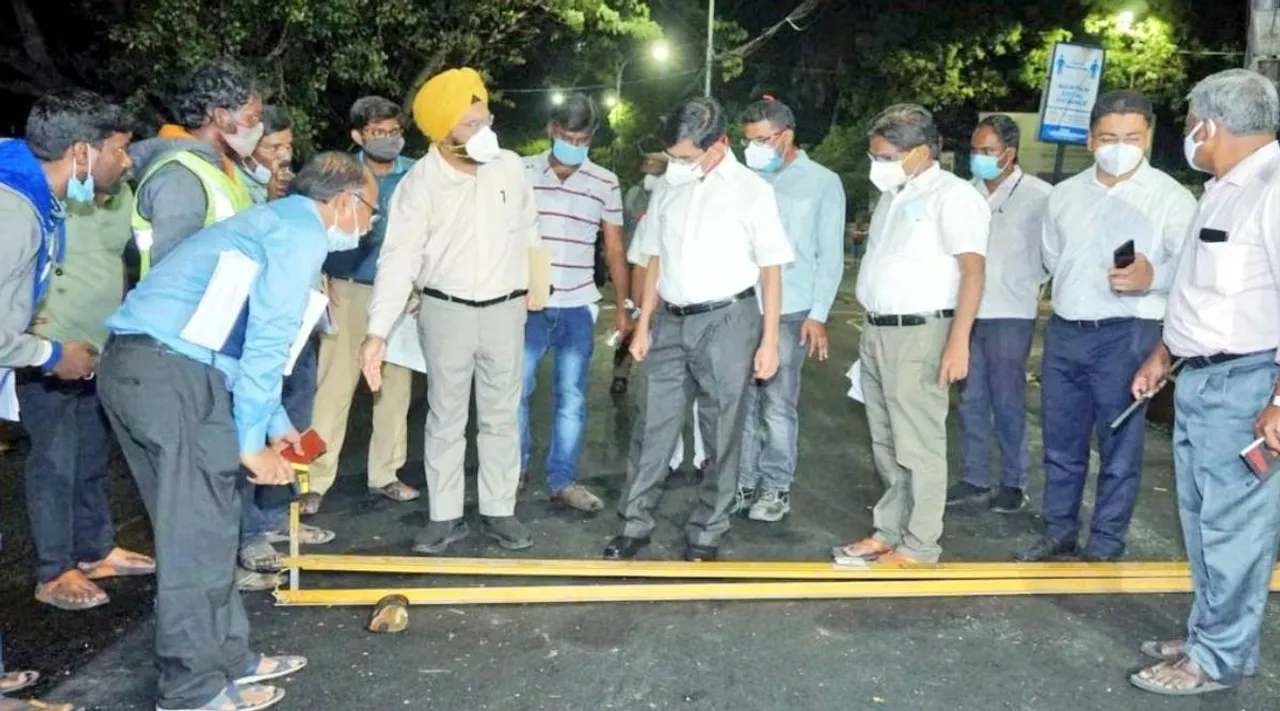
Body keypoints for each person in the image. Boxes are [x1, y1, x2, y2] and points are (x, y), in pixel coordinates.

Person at [97, 152, 373, 711]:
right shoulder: (301, 233)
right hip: (170, 374)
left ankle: (228, 660)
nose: (369, 224)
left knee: (211, 524)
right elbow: (269, 340)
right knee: (197, 535)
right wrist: (250, 444)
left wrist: (276, 426)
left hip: (150, 369)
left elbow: (236, 346)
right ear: (343, 200)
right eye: (370, 210)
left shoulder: (275, 223)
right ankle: (191, 690)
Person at [1127, 69, 1280, 697]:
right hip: (1201, 380)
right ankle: (1208, 633)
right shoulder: (1225, 189)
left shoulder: (1273, 188)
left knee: (1234, 530)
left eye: (1191, 122)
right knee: (1200, 522)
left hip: (1246, 386)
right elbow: (1202, 290)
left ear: (1209, 125)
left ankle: (1216, 659)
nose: (1189, 134)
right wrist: (1163, 352)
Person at [607, 96, 794, 562]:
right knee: (652, 424)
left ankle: (708, 530)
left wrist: (769, 340)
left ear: (718, 145)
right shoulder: (669, 186)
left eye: (685, 157)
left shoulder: (753, 191)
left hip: (728, 321)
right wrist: (643, 324)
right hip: (669, 319)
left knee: (723, 430)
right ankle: (634, 524)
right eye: (672, 155)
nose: (675, 165)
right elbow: (653, 260)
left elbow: (772, 269)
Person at [362, 68, 540, 555]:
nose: (484, 131)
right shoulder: (420, 183)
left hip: (506, 310)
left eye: (485, 119)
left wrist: (536, 289)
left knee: (502, 415)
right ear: (443, 131)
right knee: (444, 415)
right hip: (446, 312)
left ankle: (499, 509)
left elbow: (529, 231)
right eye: (470, 124)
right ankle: (445, 516)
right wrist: (377, 331)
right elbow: (398, 258)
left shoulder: (510, 167)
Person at [1020, 90, 1197, 563]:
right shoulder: (1064, 195)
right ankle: (1058, 532)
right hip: (1065, 331)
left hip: (1128, 335)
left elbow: (1197, 272)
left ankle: (1105, 543)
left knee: (1118, 449)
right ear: (1089, 138)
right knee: (1060, 440)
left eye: (1131, 137)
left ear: (1149, 136)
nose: (1119, 146)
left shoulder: (1171, 199)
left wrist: (1151, 276)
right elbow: (1052, 258)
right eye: (1108, 137)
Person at [0, 86, 131, 711]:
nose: (126, 163)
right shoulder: (12, 211)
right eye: (119, 150)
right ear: (83, 151)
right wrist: (50, 354)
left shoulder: (31, 200)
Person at [834, 103, 989, 566]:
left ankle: (920, 545)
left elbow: (974, 273)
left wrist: (958, 341)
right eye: (875, 156)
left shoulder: (954, 196)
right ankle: (890, 531)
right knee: (886, 441)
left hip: (922, 333)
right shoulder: (893, 195)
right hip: (879, 331)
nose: (876, 165)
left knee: (918, 443)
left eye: (885, 156)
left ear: (921, 151)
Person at [228, 103, 335, 586]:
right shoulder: (239, 189)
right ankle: (248, 531)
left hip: (300, 326)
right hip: (255, 333)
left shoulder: (302, 194)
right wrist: (269, 202)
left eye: (288, 146)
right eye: (272, 146)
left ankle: (278, 520)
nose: (282, 156)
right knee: (249, 425)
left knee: (290, 424)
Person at [735, 95, 845, 522]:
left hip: (791, 310)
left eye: (762, 140)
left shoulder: (822, 182)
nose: (754, 149)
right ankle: (741, 483)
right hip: (744, 308)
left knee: (778, 406)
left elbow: (829, 255)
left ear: (786, 136)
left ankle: (775, 488)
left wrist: (819, 314)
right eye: (749, 141)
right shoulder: (745, 181)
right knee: (740, 404)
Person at [519, 93, 631, 511]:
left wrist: (624, 307)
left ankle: (562, 479)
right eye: (568, 137)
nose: (575, 146)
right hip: (527, 301)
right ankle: (513, 467)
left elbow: (614, 249)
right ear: (551, 130)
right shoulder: (520, 172)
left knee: (572, 397)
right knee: (516, 389)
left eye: (583, 140)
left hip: (577, 305)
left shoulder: (605, 182)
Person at [308, 95, 418, 513]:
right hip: (346, 289)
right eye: (378, 133)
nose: (389, 139)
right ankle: (315, 480)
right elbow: (314, 219)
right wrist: (316, 277)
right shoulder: (340, 173)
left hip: (400, 297)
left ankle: (386, 474)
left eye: (394, 131)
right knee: (332, 388)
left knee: (395, 389)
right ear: (358, 135)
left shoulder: (418, 175)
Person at [945, 114, 1051, 513]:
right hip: (966, 313)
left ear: (1010, 153)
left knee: (1007, 400)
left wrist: (1025, 283)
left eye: (988, 151)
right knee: (970, 400)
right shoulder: (963, 193)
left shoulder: (1039, 196)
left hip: (1010, 313)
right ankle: (974, 476)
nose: (980, 158)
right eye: (975, 150)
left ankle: (1013, 481)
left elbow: (1050, 255)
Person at [129, 61, 260, 273]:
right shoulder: (180, 176)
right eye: (252, 118)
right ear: (221, 117)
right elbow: (171, 270)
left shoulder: (222, 167)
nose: (258, 128)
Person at [611, 153, 667, 395]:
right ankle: (621, 373)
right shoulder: (635, 195)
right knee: (631, 332)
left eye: (656, 168)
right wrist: (634, 305)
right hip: (638, 262)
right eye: (647, 167)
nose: (650, 173)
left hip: (673, 298)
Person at [233, 104, 294, 204]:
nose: (286, 157)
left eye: (288, 146)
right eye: (273, 148)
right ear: (247, 150)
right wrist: (273, 200)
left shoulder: (293, 186)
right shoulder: (233, 184)